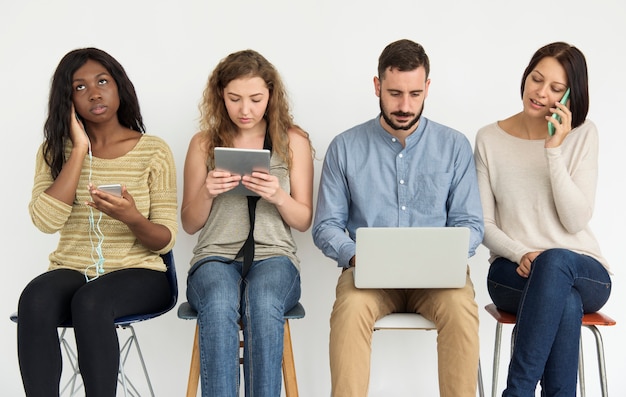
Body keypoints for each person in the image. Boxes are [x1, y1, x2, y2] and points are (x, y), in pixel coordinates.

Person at [312, 39, 484, 397]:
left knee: (460, 309)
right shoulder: (345, 147)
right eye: (394, 93)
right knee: (350, 310)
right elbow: (326, 225)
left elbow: (471, 224)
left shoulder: (454, 146)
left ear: (428, 88)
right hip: (369, 278)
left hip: (439, 281)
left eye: (415, 94)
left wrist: (446, 254)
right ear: (377, 86)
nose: (405, 106)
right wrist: (358, 255)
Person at [17, 48, 178, 396]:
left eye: (102, 81)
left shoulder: (153, 151)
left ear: (119, 86)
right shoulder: (53, 151)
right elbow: (46, 221)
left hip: (141, 273)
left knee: (92, 301)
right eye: (80, 87)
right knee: (35, 299)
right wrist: (78, 150)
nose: (94, 92)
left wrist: (131, 217)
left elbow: (164, 240)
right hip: (73, 269)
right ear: (68, 99)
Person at [474, 42, 611, 396]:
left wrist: (554, 151)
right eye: (536, 79)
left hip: (582, 270)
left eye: (556, 89)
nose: (540, 92)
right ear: (526, 76)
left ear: (570, 96)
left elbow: (574, 220)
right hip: (513, 271)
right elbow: (483, 224)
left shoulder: (583, 134)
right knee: (562, 301)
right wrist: (520, 252)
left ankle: (516, 392)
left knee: (556, 265)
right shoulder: (489, 138)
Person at [181, 49, 314, 397]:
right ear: (220, 96)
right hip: (214, 258)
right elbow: (189, 223)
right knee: (221, 298)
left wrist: (278, 196)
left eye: (255, 99)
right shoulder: (203, 145)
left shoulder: (293, 141)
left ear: (270, 95)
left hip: (275, 258)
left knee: (263, 298)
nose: (245, 110)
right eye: (234, 99)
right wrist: (208, 192)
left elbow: (304, 220)